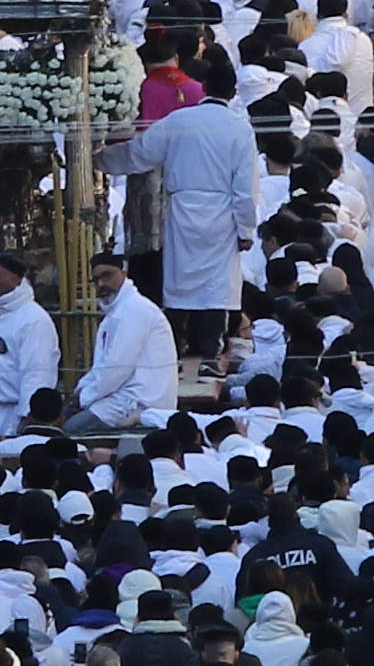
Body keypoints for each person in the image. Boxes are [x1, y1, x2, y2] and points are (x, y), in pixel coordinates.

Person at [102, 50, 261, 358]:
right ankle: (210, 356)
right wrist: (245, 228)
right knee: (216, 289)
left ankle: (172, 350)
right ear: (233, 92)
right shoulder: (240, 128)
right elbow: (245, 187)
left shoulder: (180, 121)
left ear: (202, 87)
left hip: (183, 210)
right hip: (222, 216)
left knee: (179, 283)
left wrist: (98, 160)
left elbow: (139, 153)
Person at [71, 249, 177, 433]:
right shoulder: (116, 313)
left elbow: (117, 369)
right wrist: (81, 389)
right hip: (118, 396)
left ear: (123, 273)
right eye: (96, 280)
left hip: (140, 401)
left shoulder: (135, 309)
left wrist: (85, 397)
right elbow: (101, 369)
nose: (102, 284)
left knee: (71, 430)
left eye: (107, 275)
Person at [0, 250, 58, 434]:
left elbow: (37, 373)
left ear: (17, 280)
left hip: (17, 413)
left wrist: (26, 416)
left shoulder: (34, 318)